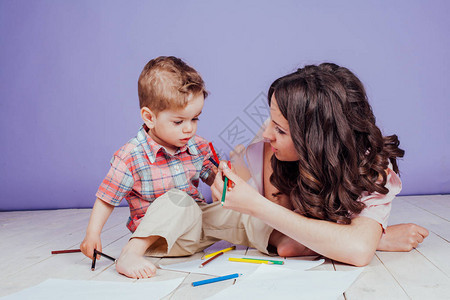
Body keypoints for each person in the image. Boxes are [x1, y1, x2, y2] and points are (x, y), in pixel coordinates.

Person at [211, 63, 429, 266]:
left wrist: (255, 205)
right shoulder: (272, 144)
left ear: (317, 140)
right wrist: (379, 238)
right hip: (253, 190)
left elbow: (358, 250)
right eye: (272, 122)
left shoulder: (370, 165)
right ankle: (239, 156)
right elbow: (286, 238)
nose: (268, 134)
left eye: (280, 129)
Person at [80, 56, 270, 279]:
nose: (189, 129)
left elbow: (211, 176)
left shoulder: (197, 146)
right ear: (149, 117)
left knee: (238, 211)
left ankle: (277, 238)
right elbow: (107, 196)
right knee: (178, 200)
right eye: (179, 122)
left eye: (195, 119)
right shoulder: (131, 155)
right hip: (158, 240)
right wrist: (92, 234)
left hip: (196, 228)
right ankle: (131, 253)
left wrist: (222, 176)